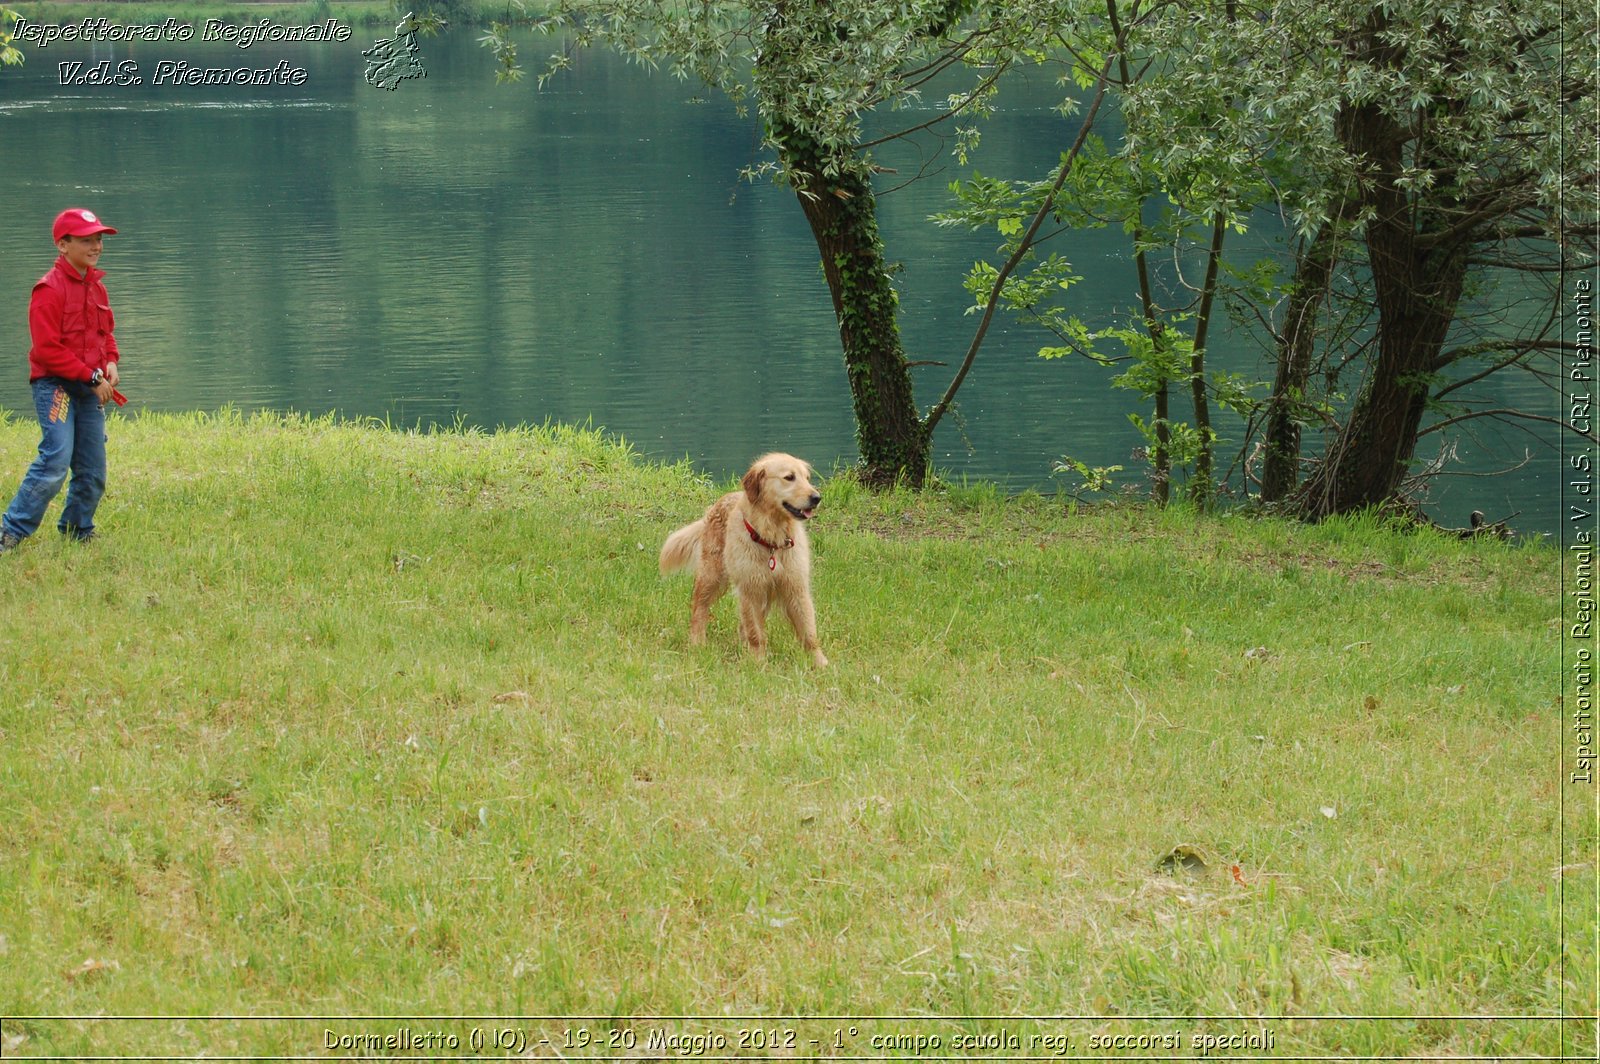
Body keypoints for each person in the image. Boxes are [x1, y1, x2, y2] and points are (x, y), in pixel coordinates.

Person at [0, 208, 123, 553]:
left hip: (90, 385)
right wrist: (92, 376)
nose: (96, 245)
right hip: (56, 386)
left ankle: (77, 529)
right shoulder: (47, 291)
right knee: (55, 459)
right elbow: (47, 350)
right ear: (62, 245)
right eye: (87, 239)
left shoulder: (97, 287)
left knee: (93, 469)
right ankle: (10, 532)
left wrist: (111, 361)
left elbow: (106, 333)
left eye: (98, 238)